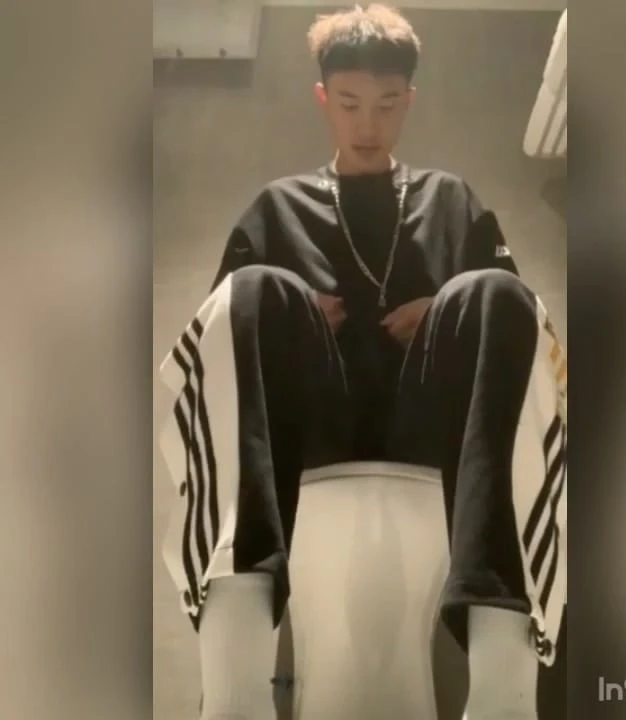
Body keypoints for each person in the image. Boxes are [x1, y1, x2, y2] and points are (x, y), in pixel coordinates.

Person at [158, 5, 567, 719]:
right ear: (324, 98)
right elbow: (221, 355)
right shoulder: (277, 207)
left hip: (432, 436)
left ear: (409, 100)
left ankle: (503, 689)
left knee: (498, 295)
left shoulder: (451, 200)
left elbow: (516, 350)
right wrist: (294, 318)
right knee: (252, 291)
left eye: (386, 104)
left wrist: (443, 310)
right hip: (307, 439)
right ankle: (234, 687)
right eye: (349, 103)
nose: (367, 124)